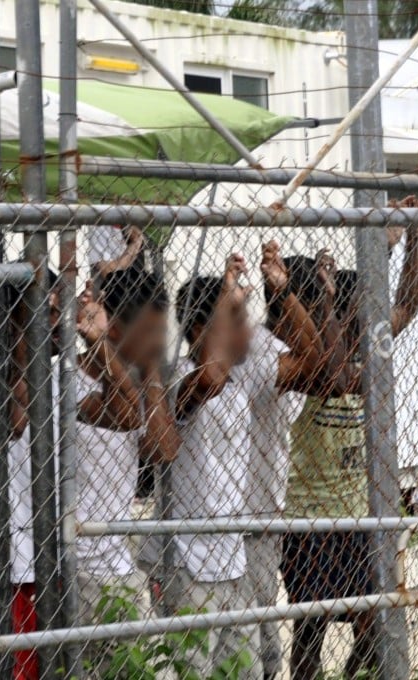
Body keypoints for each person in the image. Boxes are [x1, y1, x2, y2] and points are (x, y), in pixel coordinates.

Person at [282, 221, 418, 680]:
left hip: (359, 514)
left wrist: (414, 239)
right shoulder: (314, 359)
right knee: (311, 629)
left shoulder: (368, 350)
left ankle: (352, 674)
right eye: (361, 306)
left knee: (371, 618)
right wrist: (333, 300)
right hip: (311, 518)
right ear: (344, 310)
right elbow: (337, 375)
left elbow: (407, 305)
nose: (373, 315)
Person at [168, 250, 291, 679]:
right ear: (204, 329)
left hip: (231, 559)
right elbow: (207, 380)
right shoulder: (177, 377)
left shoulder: (242, 379)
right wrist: (225, 303)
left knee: (247, 672)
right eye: (236, 322)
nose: (247, 332)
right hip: (189, 563)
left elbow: (313, 364)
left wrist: (283, 293)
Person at [73, 268, 178, 635]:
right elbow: (125, 414)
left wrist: (150, 369)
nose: (161, 343)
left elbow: (162, 451)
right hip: (76, 567)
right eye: (152, 332)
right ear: (115, 327)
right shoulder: (65, 382)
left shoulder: (145, 381)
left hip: (118, 566)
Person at [243, 242, 326, 680]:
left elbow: (324, 363)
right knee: (258, 656)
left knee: (264, 647)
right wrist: (286, 292)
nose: (316, 322)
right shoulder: (260, 348)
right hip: (244, 518)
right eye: (313, 309)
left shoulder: (276, 348)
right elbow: (317, 359)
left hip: (264, 513)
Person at [0, 275, 59, 680]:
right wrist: (23, 350)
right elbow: (14, 422)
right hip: (2, 564)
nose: (58, 322)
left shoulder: (64, 375)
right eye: (47, 312)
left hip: (54, 558)